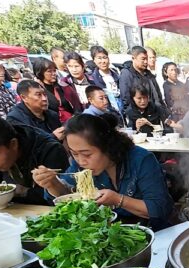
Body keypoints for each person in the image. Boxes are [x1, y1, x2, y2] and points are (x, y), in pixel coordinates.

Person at [32, 113, 173, 229]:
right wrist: (52, 184)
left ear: (108, 146)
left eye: (87, 154)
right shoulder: (81, 167)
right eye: (74, 153)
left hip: (152, 232)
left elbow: (160, 209)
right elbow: (69, 197)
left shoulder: (141, 159)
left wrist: (118, 200)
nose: (81, 161)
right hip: (105, 232)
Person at [33, 58, 82, 123]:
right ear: (40, 73)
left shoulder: (62, 86)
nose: (54, 74)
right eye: (49, 71)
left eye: (54, 70)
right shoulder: (36, 91)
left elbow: (76, 106)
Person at [119, 46, 164, 113]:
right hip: (139, 115)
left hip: (154, 113)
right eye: (143, 59)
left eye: (146, 59)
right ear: (133, 58)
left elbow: (158, 95)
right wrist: (135, 116)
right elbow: (126, 99)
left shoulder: (149, 74)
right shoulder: (126, 74)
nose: (146, 62)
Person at [89, 45, 121, 111]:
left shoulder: (116, 74)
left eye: (104, 57)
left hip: (121, 109)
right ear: (94, 60)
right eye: (99, 58)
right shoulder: (93, 78)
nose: (103, 61)